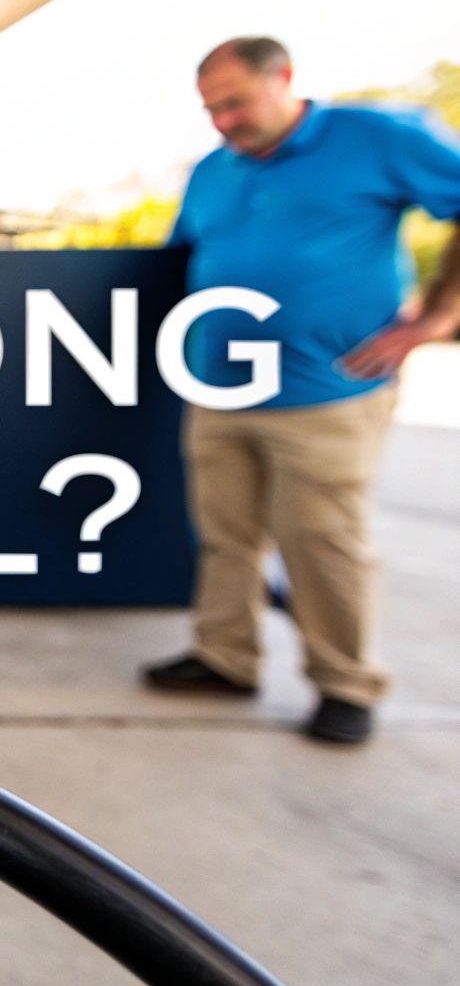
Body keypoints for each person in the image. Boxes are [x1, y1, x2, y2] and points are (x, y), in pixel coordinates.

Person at [143, 37, 460, 744]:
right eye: (211, 110)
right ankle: (226, 655)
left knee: (320, 538)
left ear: (283, 78)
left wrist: (437, 316)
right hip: (217, 388)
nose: (223, 121)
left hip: (327, 391)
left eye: (235, 103)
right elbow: (174, 260)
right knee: (225, 535)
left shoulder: (378, 136)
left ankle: (344, 681)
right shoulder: (210, 173)